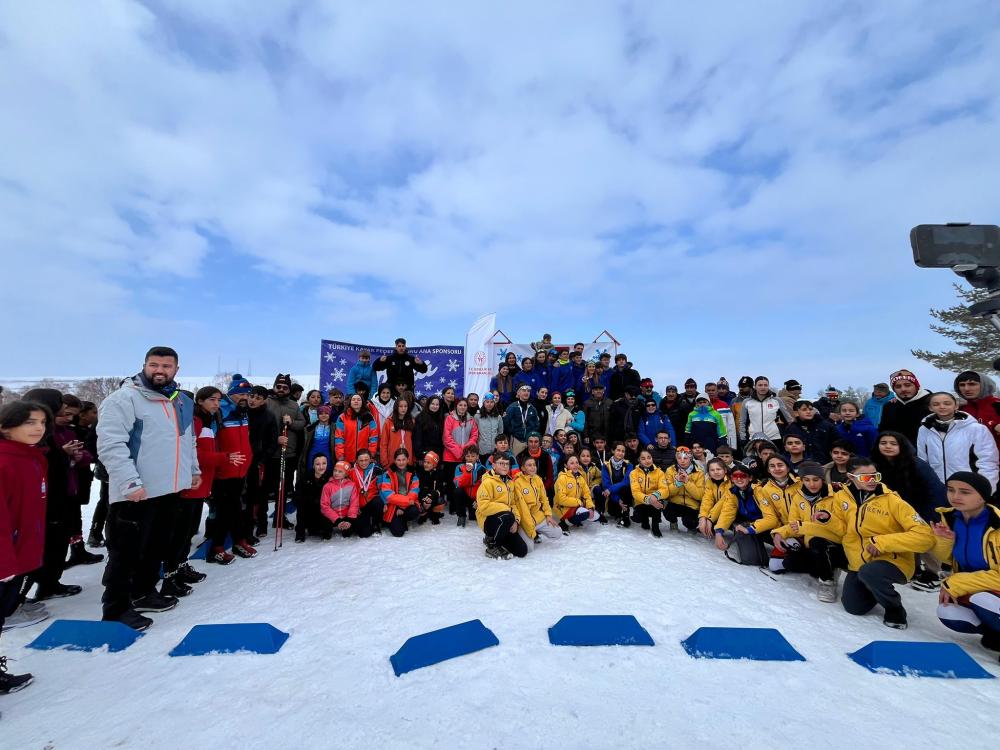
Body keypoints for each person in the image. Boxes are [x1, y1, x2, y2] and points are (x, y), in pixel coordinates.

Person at [97, 346, 201, 631]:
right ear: (144, 365)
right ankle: (116, 609)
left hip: (169, 489)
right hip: (135, 493)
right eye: (154, 364)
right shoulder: (125, 399)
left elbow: (187, 440)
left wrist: (193, 470)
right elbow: (111, 444)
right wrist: (130, 482)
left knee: (156, 546)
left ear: (176, 370)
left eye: (166, 366)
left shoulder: (180, 402)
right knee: (126, 552)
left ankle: (143, 592)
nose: (160, 370)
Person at [837, 457, 935, 629]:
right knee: (854, 607)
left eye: (876, 476)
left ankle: (894, 607)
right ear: (851, 477)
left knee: (871, 573)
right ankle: (872, 585)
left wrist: (882, 542)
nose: (872, 481)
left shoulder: (893, 501)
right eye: (866, 477)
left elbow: (926, 537)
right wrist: (808, 525)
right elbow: (837, 528)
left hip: (893, 560)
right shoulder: (841, 498)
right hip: (859, 561)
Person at [0, 401, 49, 694]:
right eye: (29, 422)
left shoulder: (29, 457)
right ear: (6, 426)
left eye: (42, 422)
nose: (38, 428)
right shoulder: (5, 460)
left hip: (16, 556)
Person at [19, 388, 78, 603]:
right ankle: (15, 602)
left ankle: (49, 584)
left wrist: (66, 454)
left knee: (57, 542)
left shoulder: (48, 431)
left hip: (58, 495)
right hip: (42, 500)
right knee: (40, 547)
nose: (64, 408)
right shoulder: (31, 432)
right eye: (59, 403)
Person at [931, 471, 1000, 655]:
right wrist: (945, 541)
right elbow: (949, 560)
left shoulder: (997, 524)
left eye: (965, 492)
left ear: (982, 497)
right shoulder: (953, 519)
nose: (955, 496)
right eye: (951, 490)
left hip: (991, 590)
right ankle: (994, 634)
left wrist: (956, 583)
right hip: (980, 588)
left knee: (982, 599)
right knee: (948, 612)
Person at [164, 388, 226, 588]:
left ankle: (181, 566)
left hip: (201, 484)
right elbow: (194, 454)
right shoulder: (195, 421)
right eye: (211, 400)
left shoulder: (208, 421)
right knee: (180, 533)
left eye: (218, 400)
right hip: (188, 486)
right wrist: (223, 458)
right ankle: (170, 574)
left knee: (187, 532)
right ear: (198, 401)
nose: (216, 404)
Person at [770, 461, 846, 602]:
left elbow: (842, 530)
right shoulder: (798, 497)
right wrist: (779, 533)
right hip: (810, 544)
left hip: (833, 544)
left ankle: (827, 581)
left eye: (816, 480)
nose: (811, 484)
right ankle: (827, 568)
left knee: (816, 542)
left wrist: (813, 525)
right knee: (790, 563)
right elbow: (794, 524)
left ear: (822, 480)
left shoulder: (836, 496)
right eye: (807, 480)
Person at [916, 391, 999, 492]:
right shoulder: (924, 429)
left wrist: (986, 489)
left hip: (968, 486)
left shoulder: (976, 429)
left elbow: (988, 461)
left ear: (956, 405)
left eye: (947, 403)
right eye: (936, 404)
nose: (942, 407)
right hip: (937, 487)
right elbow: (922, 460)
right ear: (930, 408)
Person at [64, 396, 102, 568]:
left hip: (80, 478)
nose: (96, 415)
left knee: (75, 516)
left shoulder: (81, 430)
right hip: (69, 481)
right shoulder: (70, 432)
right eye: (93, 412)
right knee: (69, 517)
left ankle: (77, 549)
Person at [266, 374, 306, 528]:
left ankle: (280, 517)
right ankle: (260, 520)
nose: (281, 390)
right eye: (279, 387)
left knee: (284, 487)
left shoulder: (294, 405)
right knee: (268, 488)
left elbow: (302, 423)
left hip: (288, 452)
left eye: (285, 387)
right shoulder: (267, 402)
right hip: (270, 453)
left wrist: (291, 422)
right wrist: (275, 438)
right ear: (275, 387)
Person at [710, 463, 769, 564]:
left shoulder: (758, 490)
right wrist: (719, 532)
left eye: (743, 476)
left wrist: (750, 528)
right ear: (731, 479)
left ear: (750, 478)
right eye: (735, 476)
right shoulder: (733, 491)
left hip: (766, 527)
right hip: (748, 525)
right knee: (751, 559)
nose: (739, 479)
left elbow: (770, 517)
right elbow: (727, 513)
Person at [476, 453, 528, 559]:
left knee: (522, 550)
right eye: (501, 463)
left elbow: (513, 504)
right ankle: (492, 545)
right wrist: (507, 510)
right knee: (508, 515)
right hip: (488, 520)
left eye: (507, 464)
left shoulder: (510, 483)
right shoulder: (487, 482)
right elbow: (484, 506)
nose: (504, 466)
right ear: (494, 465)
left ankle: (497, 538)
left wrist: (516, 521)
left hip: (506, 520)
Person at [246, 385, 277, 538]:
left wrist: (264, 458)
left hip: (261, 461)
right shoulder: (243, 413)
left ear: (264, 400)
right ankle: (248, 522)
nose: (253, 400)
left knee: (261, 493)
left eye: (258, 398)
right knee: (247, 494)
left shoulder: (269, 416)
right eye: (251, 396)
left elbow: (273, 442)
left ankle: (262, 524)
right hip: (244, 459)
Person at [511, 456, 560, 545]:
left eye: (534, 465)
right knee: (529, 548)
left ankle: (536, 532)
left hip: (538, 516)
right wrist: (528, 526)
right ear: (523, 468)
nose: (533, 467)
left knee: (557, 533)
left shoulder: (538, 479)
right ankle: (520, 534)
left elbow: (544, 499)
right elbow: (522, 508)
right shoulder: (517, 482)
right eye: (529, 465)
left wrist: (548, 515)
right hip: (525, 520)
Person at [878, 369, 932, 446]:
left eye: (907, 385)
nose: (903, 389)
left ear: (916, 386)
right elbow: (883, 430)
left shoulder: (932, 403)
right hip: (898, 453)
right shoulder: (889, 406)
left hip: (928, 453)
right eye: (898, 386)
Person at [378, 448, 420, 537]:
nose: (401, 462)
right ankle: (394, 521)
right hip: (393, 504)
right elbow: (388, 494)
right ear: (395, 461)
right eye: (398, 460)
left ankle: (402, 519)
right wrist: (404, 502)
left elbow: (414, 491)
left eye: (404, 459)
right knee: (398, 533)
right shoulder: (388, 473)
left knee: (415, 511)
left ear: (408, 460)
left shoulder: (413, 473)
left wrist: (402, 507)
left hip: (406, 504)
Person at [661, 446, 705, 531]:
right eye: (679, 458)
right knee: (667, 511)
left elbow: (699, 496)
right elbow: (667, 493)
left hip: (692, 504)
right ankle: (673, 522)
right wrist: (677, 483)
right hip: (675, 502)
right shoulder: (670, 470)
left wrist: (687, 482)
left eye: (685, 458)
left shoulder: (699, 472)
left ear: (690, 458)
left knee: (690, 522)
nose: (682, 461)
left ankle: (691, 527)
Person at [954, 371, 1000, 449]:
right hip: (967, 459)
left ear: (984, 385)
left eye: (972, 384)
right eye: (962, 385)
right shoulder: (959, 410)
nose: (966, 389)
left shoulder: (997, 405)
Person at [738, 377, 792, 443]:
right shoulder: (747, 402)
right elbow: (742, 422)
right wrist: (743, 438)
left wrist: (788, 436)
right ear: (754, 386)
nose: (763, 387)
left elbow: (788, 420)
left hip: (774, 438)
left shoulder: (776, 401)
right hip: (754, 438)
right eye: (760, 385)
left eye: (765, 385)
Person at [318, 461, 361, 539]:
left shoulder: (352, 485)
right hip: (332, 516)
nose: (336, 473)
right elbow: (324, 506)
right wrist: (337, 520)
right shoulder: (327, 486)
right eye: (335, 470)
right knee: (325, 534)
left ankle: (346, 526)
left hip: (346, 515)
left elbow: (354, 503)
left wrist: (350, 519)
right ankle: (329, 529)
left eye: (340, 471)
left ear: (346, 474)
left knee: (350, 533)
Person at [553, 455, 597, 531]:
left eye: (577, 462)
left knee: (594, 515)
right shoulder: (562, 478)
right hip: (563, 509)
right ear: (566, 465)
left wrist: (590, 507)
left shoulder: (580, 478)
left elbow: (587, 494)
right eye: (572, 463)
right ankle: (564, 523)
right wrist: (578, 502)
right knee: (585, 514)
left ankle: (574, 519)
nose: (575, 465)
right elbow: (561, 499)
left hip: (576, 507)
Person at [294, 454, 332, 542]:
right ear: (313, 465)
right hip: (309, 509)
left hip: (323, 510)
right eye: (318, 464)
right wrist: (312, 500)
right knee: (301, 507)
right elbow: (297, 497)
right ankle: (300, 532)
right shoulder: (305, 477)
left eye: (324, 463)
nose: (321, 467)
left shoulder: (330, 477)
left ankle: (326, 529)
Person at [630, 449, 666, 537]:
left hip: (655, 501)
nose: (647, 460)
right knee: (638, 518)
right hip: (641, 501)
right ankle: (644, 520)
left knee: (657, 503)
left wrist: (655, 496)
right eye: (643, 458)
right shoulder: (633, 473)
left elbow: (664, 489)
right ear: (639, 460)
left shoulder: (659, 472)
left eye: (649, 457)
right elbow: (635, 492)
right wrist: (648, 499)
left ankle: (655, 526)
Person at [348, 450, 384, 537]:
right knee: (364, 534)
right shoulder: (351, 472)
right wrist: (354, 507)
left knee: (378, 502)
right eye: (361, 460)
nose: (364, 463)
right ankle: (367, 522)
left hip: (372, 501)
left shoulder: (377, 469)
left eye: (366, 460)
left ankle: (376, 523)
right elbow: (348, 492)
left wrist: (385, 503)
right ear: (356, 460)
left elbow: (381, 488)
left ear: (370, 459)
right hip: (359, 505)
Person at [335, 394, 379, 464]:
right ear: (350, 402)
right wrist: (340, 455)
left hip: (364, 458)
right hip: (347, 458)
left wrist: (371, 454)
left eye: (359, 400)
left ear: (362, 402)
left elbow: (373, 437)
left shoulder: (369, 417)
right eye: (353, 399)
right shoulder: (342, 417)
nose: (356, 401)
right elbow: (339, 438)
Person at [443, 399, 479, 481]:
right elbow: (447, 438)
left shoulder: (471, 420)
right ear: (456, 406)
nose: (462, 407)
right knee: (451, 482)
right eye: (460, 405)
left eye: (465, 405)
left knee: (464, 481)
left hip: (466, 457)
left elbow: (474, 435)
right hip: (450, 457)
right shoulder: (449, 418)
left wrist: (466, 449)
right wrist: (459, 451)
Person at [599, 442, 633, 526]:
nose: (621, 453)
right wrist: (618, 500)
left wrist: (611, 489)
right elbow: (606, 485)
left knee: (626, 488)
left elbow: (626, 482)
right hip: (612, 496)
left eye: (623, 451)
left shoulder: (629, 465)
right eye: (618, 450)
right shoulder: (606, 465)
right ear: (613, 451)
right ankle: (604, 512)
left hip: (623, 494)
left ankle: (625, 516)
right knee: (612, 511)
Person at [453, 446, 487, 527]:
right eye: (468, 456)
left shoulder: (482, 468)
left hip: (476, 499)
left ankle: (474, 511)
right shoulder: (460, 467)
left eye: (473, 456)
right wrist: (467, 473)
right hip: (465, 497)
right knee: (457, 491)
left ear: (477, 456)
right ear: (464, 457)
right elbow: (458, 484)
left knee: (473, 517)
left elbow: (485, 487)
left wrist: (478, 500)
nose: (470, 458)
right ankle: (461, 515)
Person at [698, 458, 732, 539]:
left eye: (718, 469)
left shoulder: (731, 482)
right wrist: (703, 518)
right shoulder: (709, 482)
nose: (716, 472)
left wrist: (710, 519)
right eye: (712, 470)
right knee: (701, 521)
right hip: (717, 512)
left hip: (730, 511)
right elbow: (707, 500)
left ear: (725, 470)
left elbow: (723, 502)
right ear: (709, 473)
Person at [503, 385, 540, 456]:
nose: (526, 392)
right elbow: (506, 423)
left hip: (529, 441)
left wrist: (531, 435)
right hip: (517, 440)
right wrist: (513, 432)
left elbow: (536, 424)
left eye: (528, 391)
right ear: (518, 393)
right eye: (524, 390)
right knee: (516, 462)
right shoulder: (512, 407)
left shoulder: (532, 408)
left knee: (529, 462)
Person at [380, 397, 415, 468]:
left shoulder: (412, 422)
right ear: (396, 407)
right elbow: (383, 443)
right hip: (393, 460)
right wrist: (384, 461)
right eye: (401, 406)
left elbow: (414, 441)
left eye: (405, 406)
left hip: (408, 460)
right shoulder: (389, 422)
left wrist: (413, 459)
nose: (403, 408)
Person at [415, 451, 448, 525]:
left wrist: (432, 496)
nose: (425, 464)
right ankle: (424, 514)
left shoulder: (439, 474)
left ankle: (434, 514)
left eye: (428, 463)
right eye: (425, 462)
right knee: (421, 502)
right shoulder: (421, 473)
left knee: (441, 500)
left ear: (434, 465)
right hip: (423, 497)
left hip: (433, 497)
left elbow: (441, 489)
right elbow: (419, 488)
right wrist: (424, 499)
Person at [300, 405, 335, 475]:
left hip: (328, 453)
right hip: (313, 453)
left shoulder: (334, 427)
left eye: (326, 413)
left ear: (330, 414)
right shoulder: (310, 428)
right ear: (318, 415)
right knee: (311, 472)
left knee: (328, 472)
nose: (323, 415)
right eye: (321, 413)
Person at [414, 395, 445, 461]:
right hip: (424, 454)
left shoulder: (441, 418)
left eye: (437, 404)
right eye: (433, 404)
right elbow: (417, 438)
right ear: (428, 404)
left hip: (437, 454)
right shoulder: (420, 417)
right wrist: (421, 455)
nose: (435, 406)